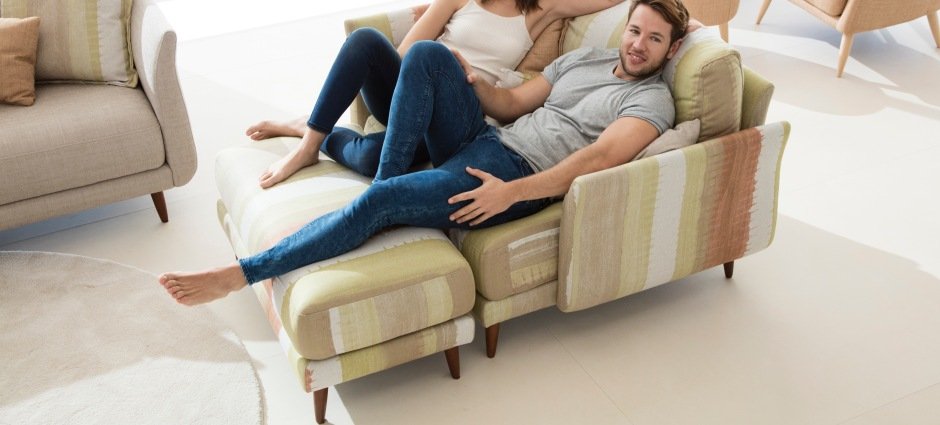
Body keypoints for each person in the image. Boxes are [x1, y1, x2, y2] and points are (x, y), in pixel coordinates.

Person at [160, 0, 690, 305]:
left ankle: (241, 274)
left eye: (655, 39)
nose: (637, 44)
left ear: (673, 48)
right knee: (430, 54)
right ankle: (380, 178)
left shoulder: (651, 101)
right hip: (488, 138)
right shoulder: (586, 60)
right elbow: (511, 105)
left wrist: (512, 193)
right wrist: (471, 81)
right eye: (635, 31)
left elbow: (597, 161)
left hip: (510, 174)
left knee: (379, 200)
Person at [246, 0, 627, 188]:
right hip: (409, 91)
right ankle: (308, 146)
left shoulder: (543, 7)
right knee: (365, 41)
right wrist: (409, 93)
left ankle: (307, 127)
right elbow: (405, 54)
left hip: (454, 115)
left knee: (371, 158)